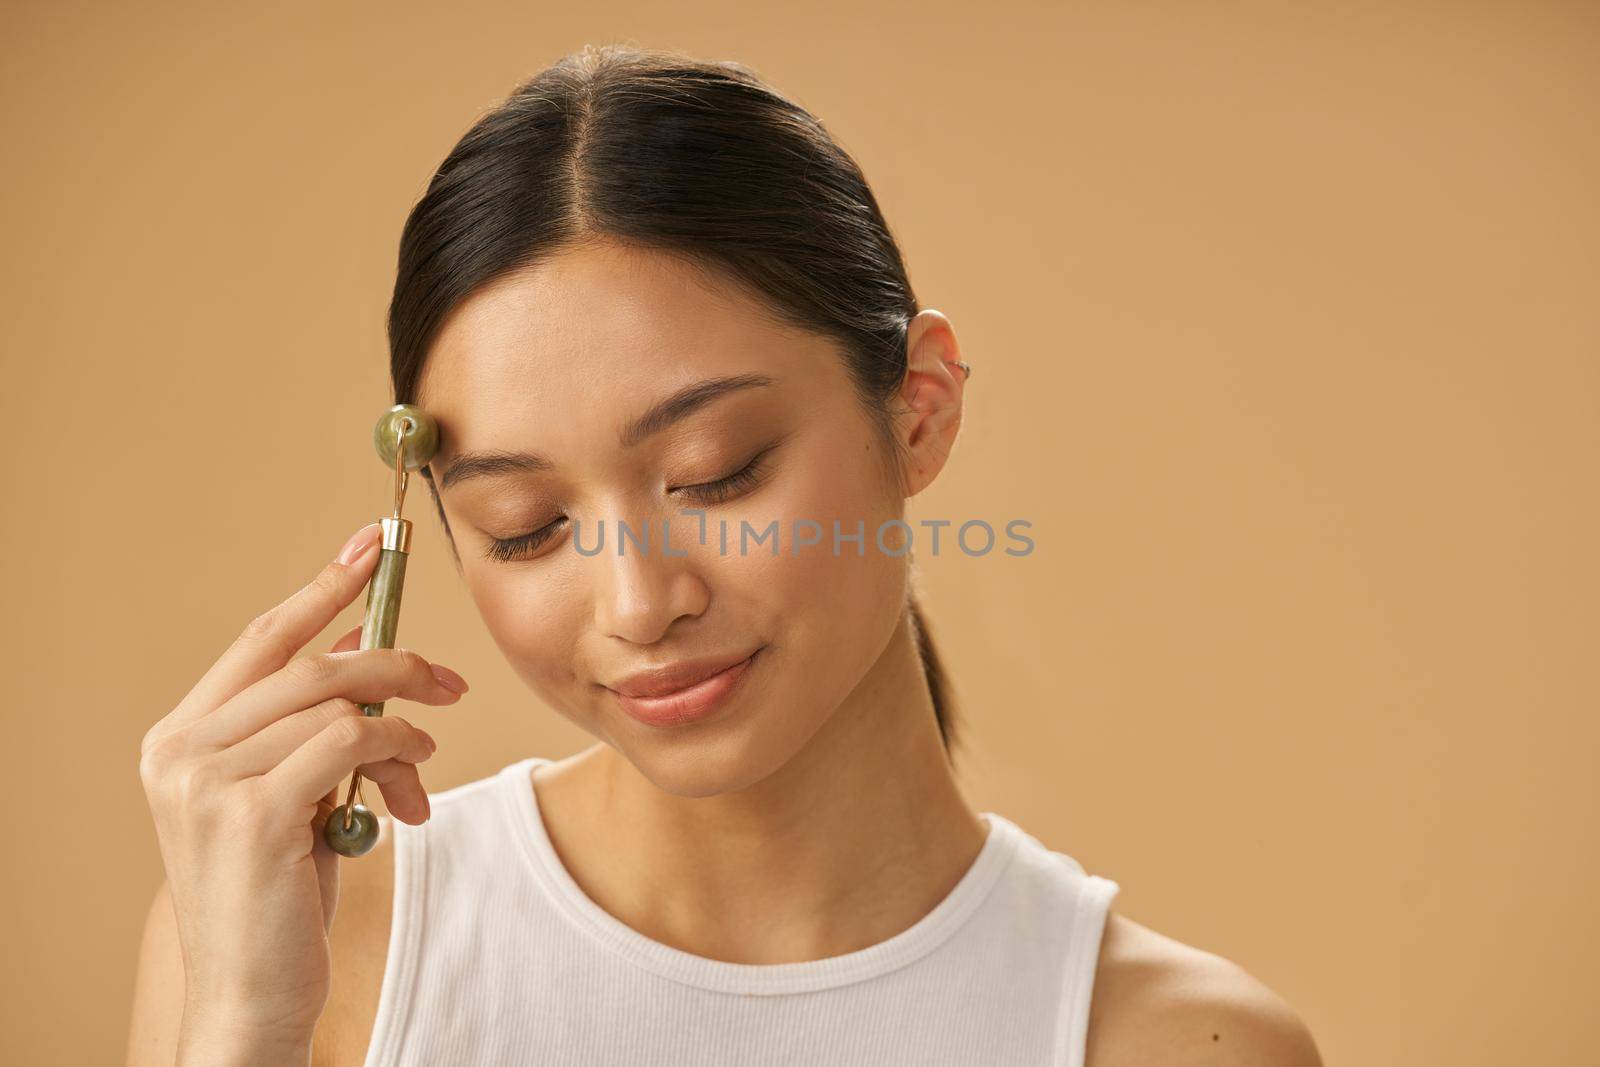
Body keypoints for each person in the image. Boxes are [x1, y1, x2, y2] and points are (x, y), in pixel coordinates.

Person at [126, 44, 1322, 1067]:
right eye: (524, 528)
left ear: (920, 407)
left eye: (716, 471)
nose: (640, 603)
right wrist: (236, 1025)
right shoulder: (302, 945)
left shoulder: (1171, 1040)